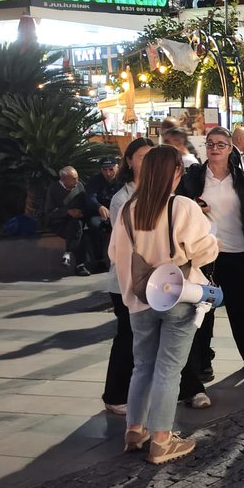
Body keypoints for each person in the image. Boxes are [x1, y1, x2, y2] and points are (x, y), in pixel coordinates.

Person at [108, 144, 219, 464]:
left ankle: (135, 430)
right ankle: (161, 439)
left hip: (140, 298)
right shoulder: (181, 206)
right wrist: (213, 239)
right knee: (169, 368)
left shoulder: (129, 208)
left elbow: (115, 255)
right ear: (175, 173)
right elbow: (203, 251)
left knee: (143, 365)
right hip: (178, 296)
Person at [178, 126, 244, 384]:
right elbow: (178, 205)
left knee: (243, 308)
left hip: (238, 251)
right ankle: (204, 362)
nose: (214, 149)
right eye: (210, 144)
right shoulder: (194, 178)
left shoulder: (243, 181)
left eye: (220, 144)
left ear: (230, 149)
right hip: (204, 254)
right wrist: (194, 205)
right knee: (203, 309)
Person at [102, 138, 154, 416]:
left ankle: (137, 392)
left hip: (152, 278)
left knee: (144, 338)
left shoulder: (158, 192)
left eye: (152, 157)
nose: (147, 162)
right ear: (130, 161)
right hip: (126, 279)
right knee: (127, 336)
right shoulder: (122, 198)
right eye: (142, 157)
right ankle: (114, 394)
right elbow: (125, 243)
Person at [44, 166, 98, 275]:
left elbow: (85, 203)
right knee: (77, 231)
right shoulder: (53, 189)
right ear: (63, 179)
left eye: (77, 178)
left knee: (77, 226)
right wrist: (67, 212)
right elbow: (49, 212)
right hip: (59, 223)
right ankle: (79, 265)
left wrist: (81, 212)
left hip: (77, 221)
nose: (77, 181)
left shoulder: (79, 186)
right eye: (73, 179)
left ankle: (68, 254)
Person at [85, 157, 120, 265]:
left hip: (120, 213)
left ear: (117, 167)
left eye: (111, 169)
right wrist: (99, 207)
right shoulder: (94, 180)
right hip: (101, 214)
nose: (108, 173)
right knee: (95, 225)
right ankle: (99, 259)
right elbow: (90, 197)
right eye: (105, 170)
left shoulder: (123, 179)